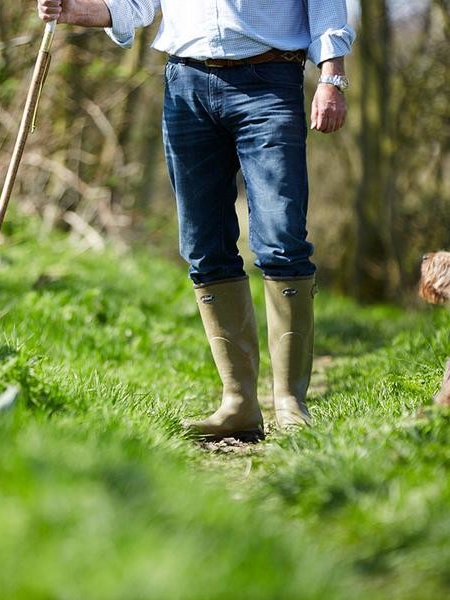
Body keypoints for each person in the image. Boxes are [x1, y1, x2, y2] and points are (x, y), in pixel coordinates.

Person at [37, 0, 355, 440]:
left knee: (281, 239)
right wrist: (76, 11)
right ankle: (239, 404)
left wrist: (331, 79)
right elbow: (136, 5)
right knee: (204, 247)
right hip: (186, 85)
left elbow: (325, 7)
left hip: (270, 82)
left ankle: (290, 403)